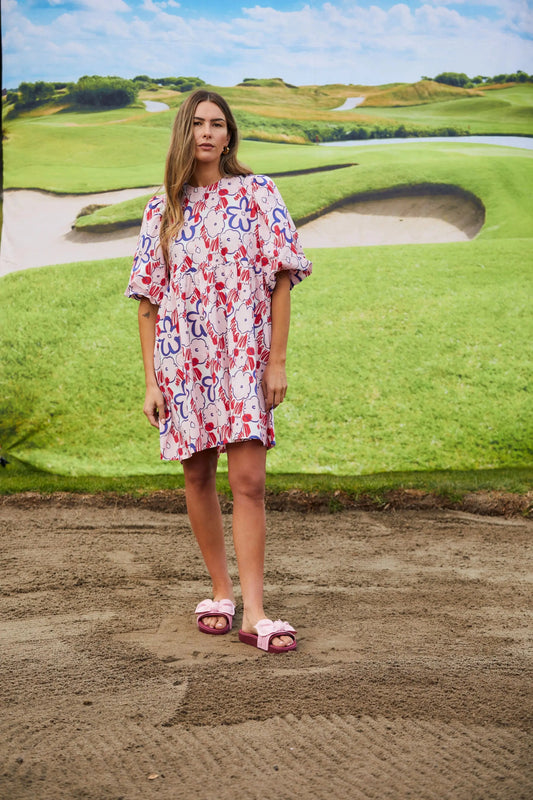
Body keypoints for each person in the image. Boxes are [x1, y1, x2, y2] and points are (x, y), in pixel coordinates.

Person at [125, 89, 312, 653]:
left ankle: (256, 610)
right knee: (196, 477)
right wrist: (152, 380)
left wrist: (276, 361)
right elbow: (148, 302)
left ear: (230, 134)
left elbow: (282, 279)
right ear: (184, 132)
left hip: (243, 360)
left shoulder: (259, 193)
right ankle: (221, 591)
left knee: (249, 481)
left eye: (218, 124)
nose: (208, 133)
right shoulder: (163, 207)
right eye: (198, 123)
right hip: (184, 361)